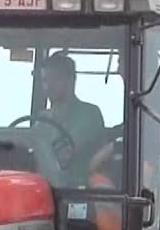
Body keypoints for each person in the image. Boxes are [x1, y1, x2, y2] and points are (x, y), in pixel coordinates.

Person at [39, 52, 108, 187]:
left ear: (71, 80)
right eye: (45, 81)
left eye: (55, 79)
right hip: (46, 187)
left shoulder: (89, 114)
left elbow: (64, 153)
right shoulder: (42, 119)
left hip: (80, 192)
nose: (48, 86)